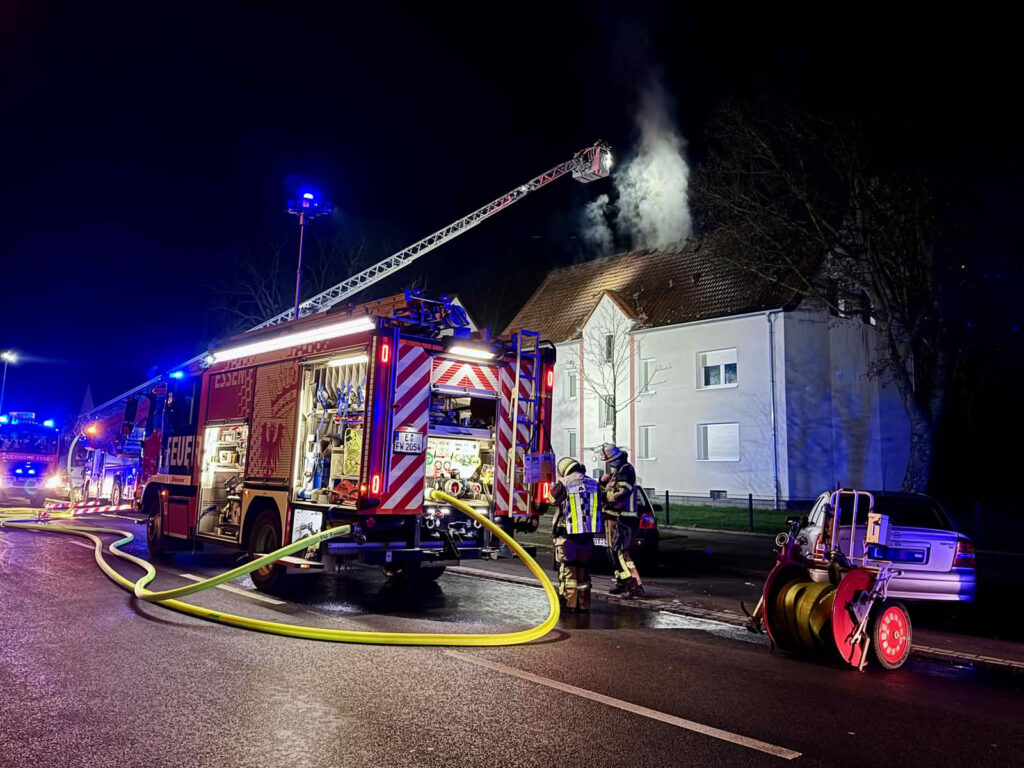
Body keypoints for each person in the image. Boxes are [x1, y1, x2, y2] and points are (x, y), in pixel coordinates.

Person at [549, 457, 602, 612]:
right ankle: (584, 604)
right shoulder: (593, 483)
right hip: (587, 534)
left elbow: (552, 499)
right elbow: (603, 501)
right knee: (583, 570)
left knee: (568, 569)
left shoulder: (565, 483)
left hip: (568, 534)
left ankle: (569, 603)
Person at [598, 443, 645, 598]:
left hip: (623, 517)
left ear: (615, 458)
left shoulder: (626, 470)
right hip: (613, 516)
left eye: (609, 461)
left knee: (620, 552)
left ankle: (634, 585)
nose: (608, 464)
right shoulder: (618, 471)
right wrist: (604, 483)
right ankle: (622, 582)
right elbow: (613, 489)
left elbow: (623, 493)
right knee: (612, 551)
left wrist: (605, 496)